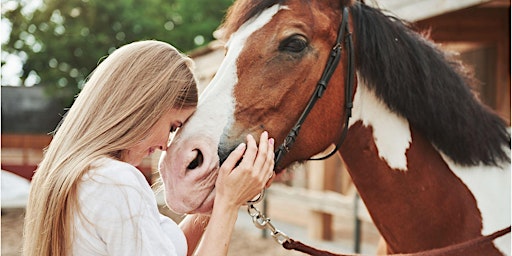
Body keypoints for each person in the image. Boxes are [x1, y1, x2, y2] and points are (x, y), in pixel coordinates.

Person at [22, 40, 275, 256]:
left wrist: (217, 199)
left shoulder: (78, 175)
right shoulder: (116, 182)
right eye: (173, 126)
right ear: (145, 108)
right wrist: (228, 205)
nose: (166, 143)